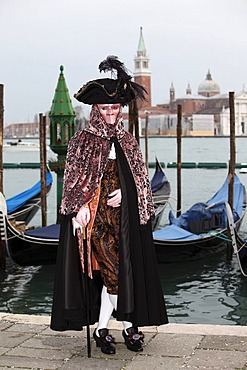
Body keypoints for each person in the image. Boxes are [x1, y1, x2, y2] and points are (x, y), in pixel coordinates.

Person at [50, 55, 168, 355]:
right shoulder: (81, 142)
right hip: (95, 223)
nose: (112, 114)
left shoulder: (128, 142)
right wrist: (78, 209)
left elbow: (141, 183)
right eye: (106, 108)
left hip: (124, 222)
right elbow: (75, 183)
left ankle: (102, 329)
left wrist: (126, 194)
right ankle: (130, 326)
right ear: (95, 110)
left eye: (116, 108)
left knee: (115, 277)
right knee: (114, 273)